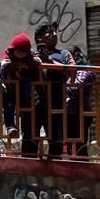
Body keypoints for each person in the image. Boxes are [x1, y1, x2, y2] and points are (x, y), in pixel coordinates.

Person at [34, 22, 76, 157]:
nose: (55, 34)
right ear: (39, 38)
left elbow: (72, 71)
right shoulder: (31, 55)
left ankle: (55, 165)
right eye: (50, 32)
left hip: (56, 104)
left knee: (56, 142)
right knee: (30, 140)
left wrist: (50, 62)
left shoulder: (64, 54)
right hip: (34, 103)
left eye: (55, 31)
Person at [0, 33, 43, 156]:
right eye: (17, 51)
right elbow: (4, 65)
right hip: (10, 90)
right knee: (8, 103)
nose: (19, 54)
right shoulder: (8, 55)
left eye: (22, 51)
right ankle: (10, 125)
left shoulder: (30, 57)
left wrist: (27, 65)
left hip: (26, 95)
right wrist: (15, 66)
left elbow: (37, 61)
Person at [65, 46, 95, 157]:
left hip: (79, 113)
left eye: (69, 57)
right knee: (71, 145)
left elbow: (76, 88)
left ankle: (81, 164)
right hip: (72, 113)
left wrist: (64, 85)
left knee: (79, 145)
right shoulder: (76, 71)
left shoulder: (84, 70)